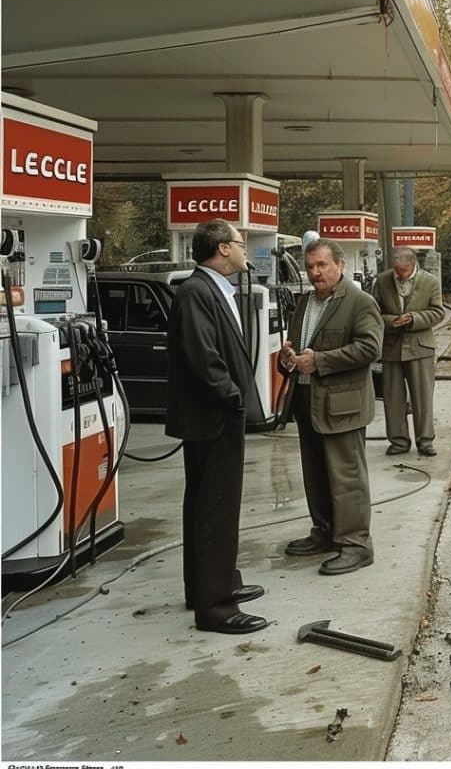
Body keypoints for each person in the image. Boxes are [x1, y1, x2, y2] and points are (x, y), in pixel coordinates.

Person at [165, 219, 267, 635]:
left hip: (216, 416)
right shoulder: (196, 292)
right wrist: (233, 396)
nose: (246, 251)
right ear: (223, 249)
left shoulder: (212, 290)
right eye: (241, 244)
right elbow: (202, 355)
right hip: (213, 418)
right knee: (215, 509)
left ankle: (210, 585)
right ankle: (215, 608)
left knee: (208, 505)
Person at [279, 238, 383, 575]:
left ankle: (355, 545)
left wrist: (319, 361)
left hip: (343, 406)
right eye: (310, 266)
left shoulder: (359, 302)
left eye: (322, 265)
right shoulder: (304, 302)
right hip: (307, 400)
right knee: (316, 474)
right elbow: (300, 349)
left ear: (339, 264)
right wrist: (289, 360)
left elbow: (369, 348)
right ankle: (324, 532)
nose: (315, 272)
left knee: (346, 478)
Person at [372, 247, 444, 456]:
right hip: (391, 347)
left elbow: (438, 312)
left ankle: (425, 441)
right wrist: (390, 321)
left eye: (403, 271)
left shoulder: (430, 282)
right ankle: (399, 441)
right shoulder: (382, 281)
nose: (399, 275)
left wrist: (414, 318)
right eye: (396, 271)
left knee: (422, 397)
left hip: (420, 346)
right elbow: (372, 312)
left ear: (413, 265)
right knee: (392, 397)